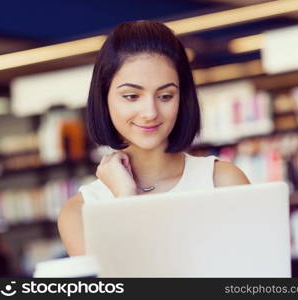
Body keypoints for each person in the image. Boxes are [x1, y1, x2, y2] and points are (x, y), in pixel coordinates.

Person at [58, 20, 250, 256]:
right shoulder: (79, 212)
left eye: (165, 96)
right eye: (131, 96)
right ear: (104, 98)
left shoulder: (223, 182)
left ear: (183, 99)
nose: (150, 112)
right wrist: (125, 198)